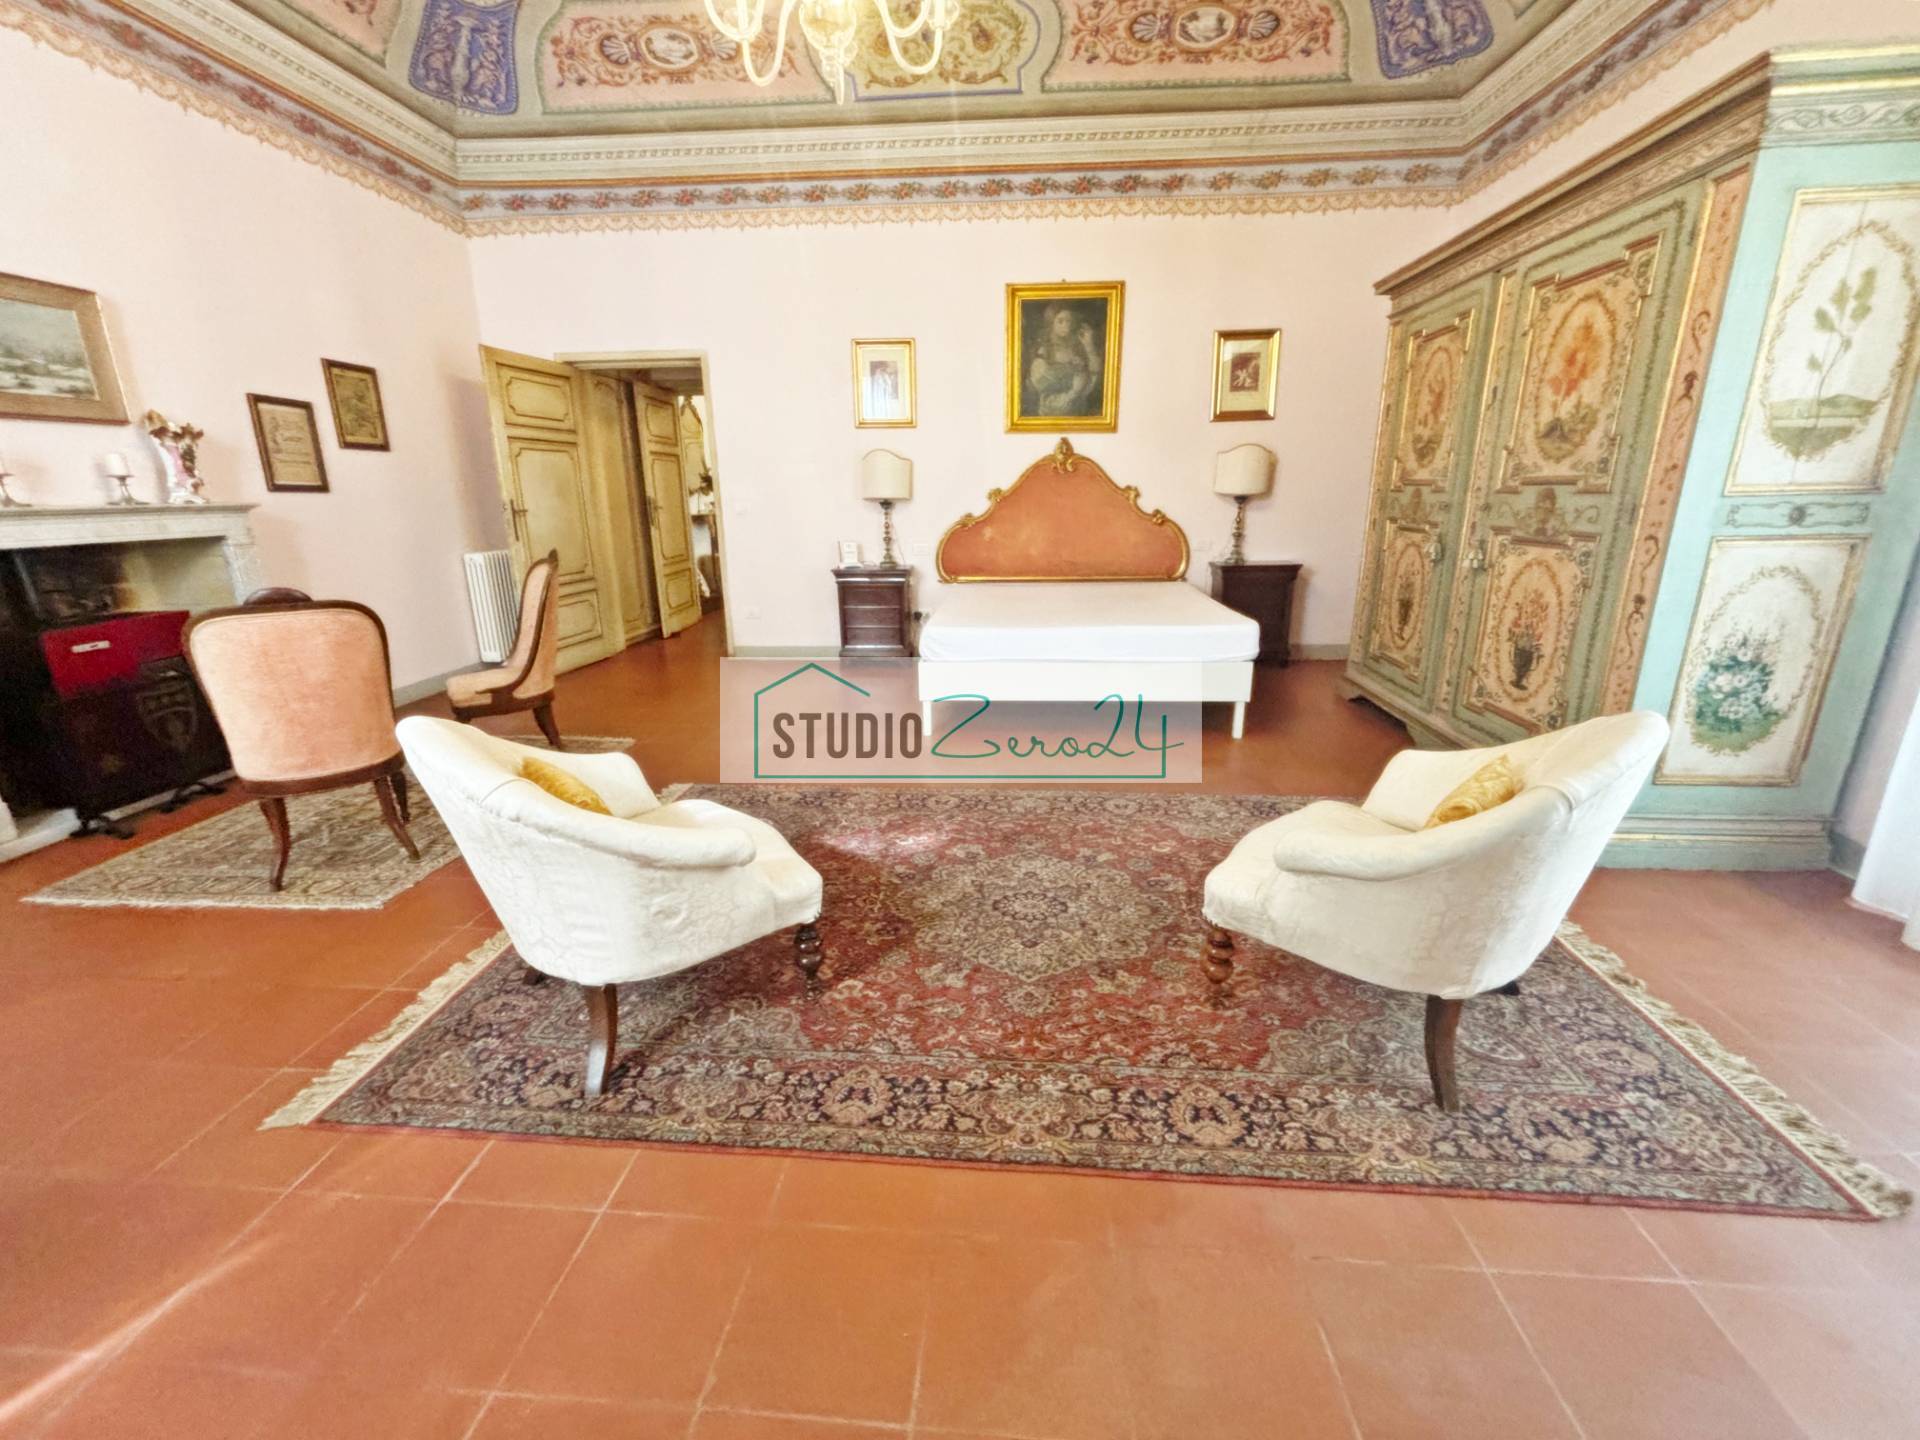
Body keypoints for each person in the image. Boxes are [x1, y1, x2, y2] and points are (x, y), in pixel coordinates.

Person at [1026, 302, 1101, 416]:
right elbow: (1045, 394)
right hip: (1053, 414)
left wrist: (1089, 345)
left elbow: (1093, 376)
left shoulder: (1077, 349)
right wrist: (1075, 390)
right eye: (1060, 321)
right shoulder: (1044, 353)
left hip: (1079, 412)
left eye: (1069, 321)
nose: (1066, 326)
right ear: (1051, 323)